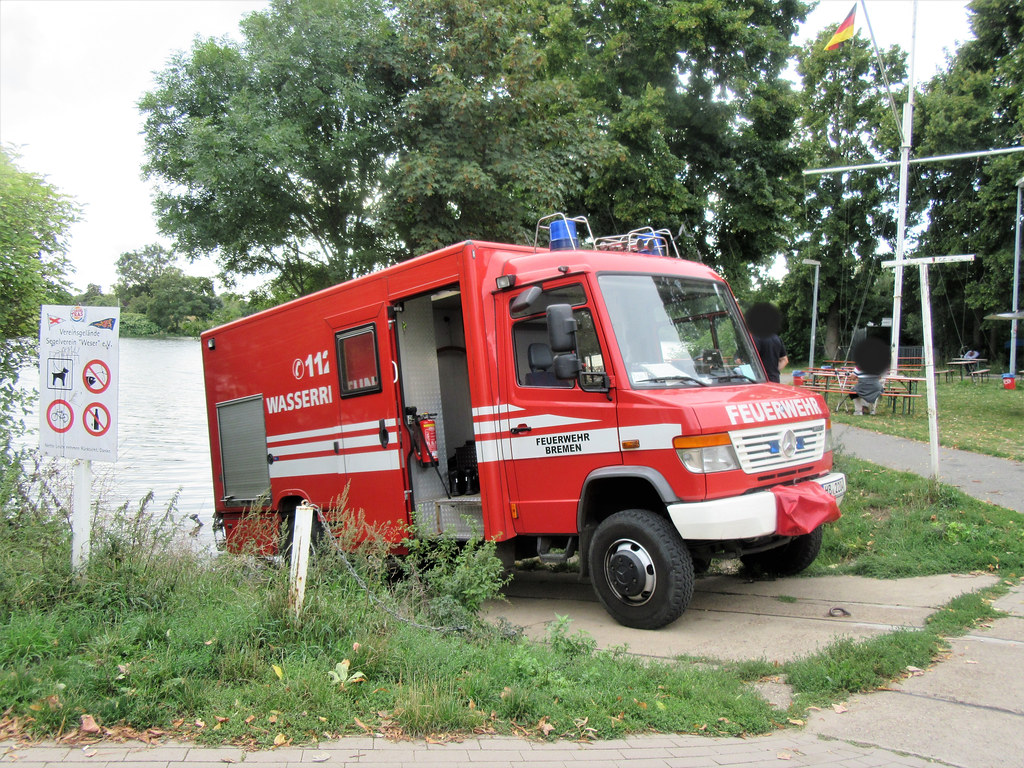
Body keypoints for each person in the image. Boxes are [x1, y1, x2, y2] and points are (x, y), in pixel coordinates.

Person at [745, 302, 788, 383]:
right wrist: (774, 371)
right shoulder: (776, 338)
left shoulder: (755, 337)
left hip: (760, 380)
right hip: (775, 379)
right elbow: (784, 360)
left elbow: (752, 358)